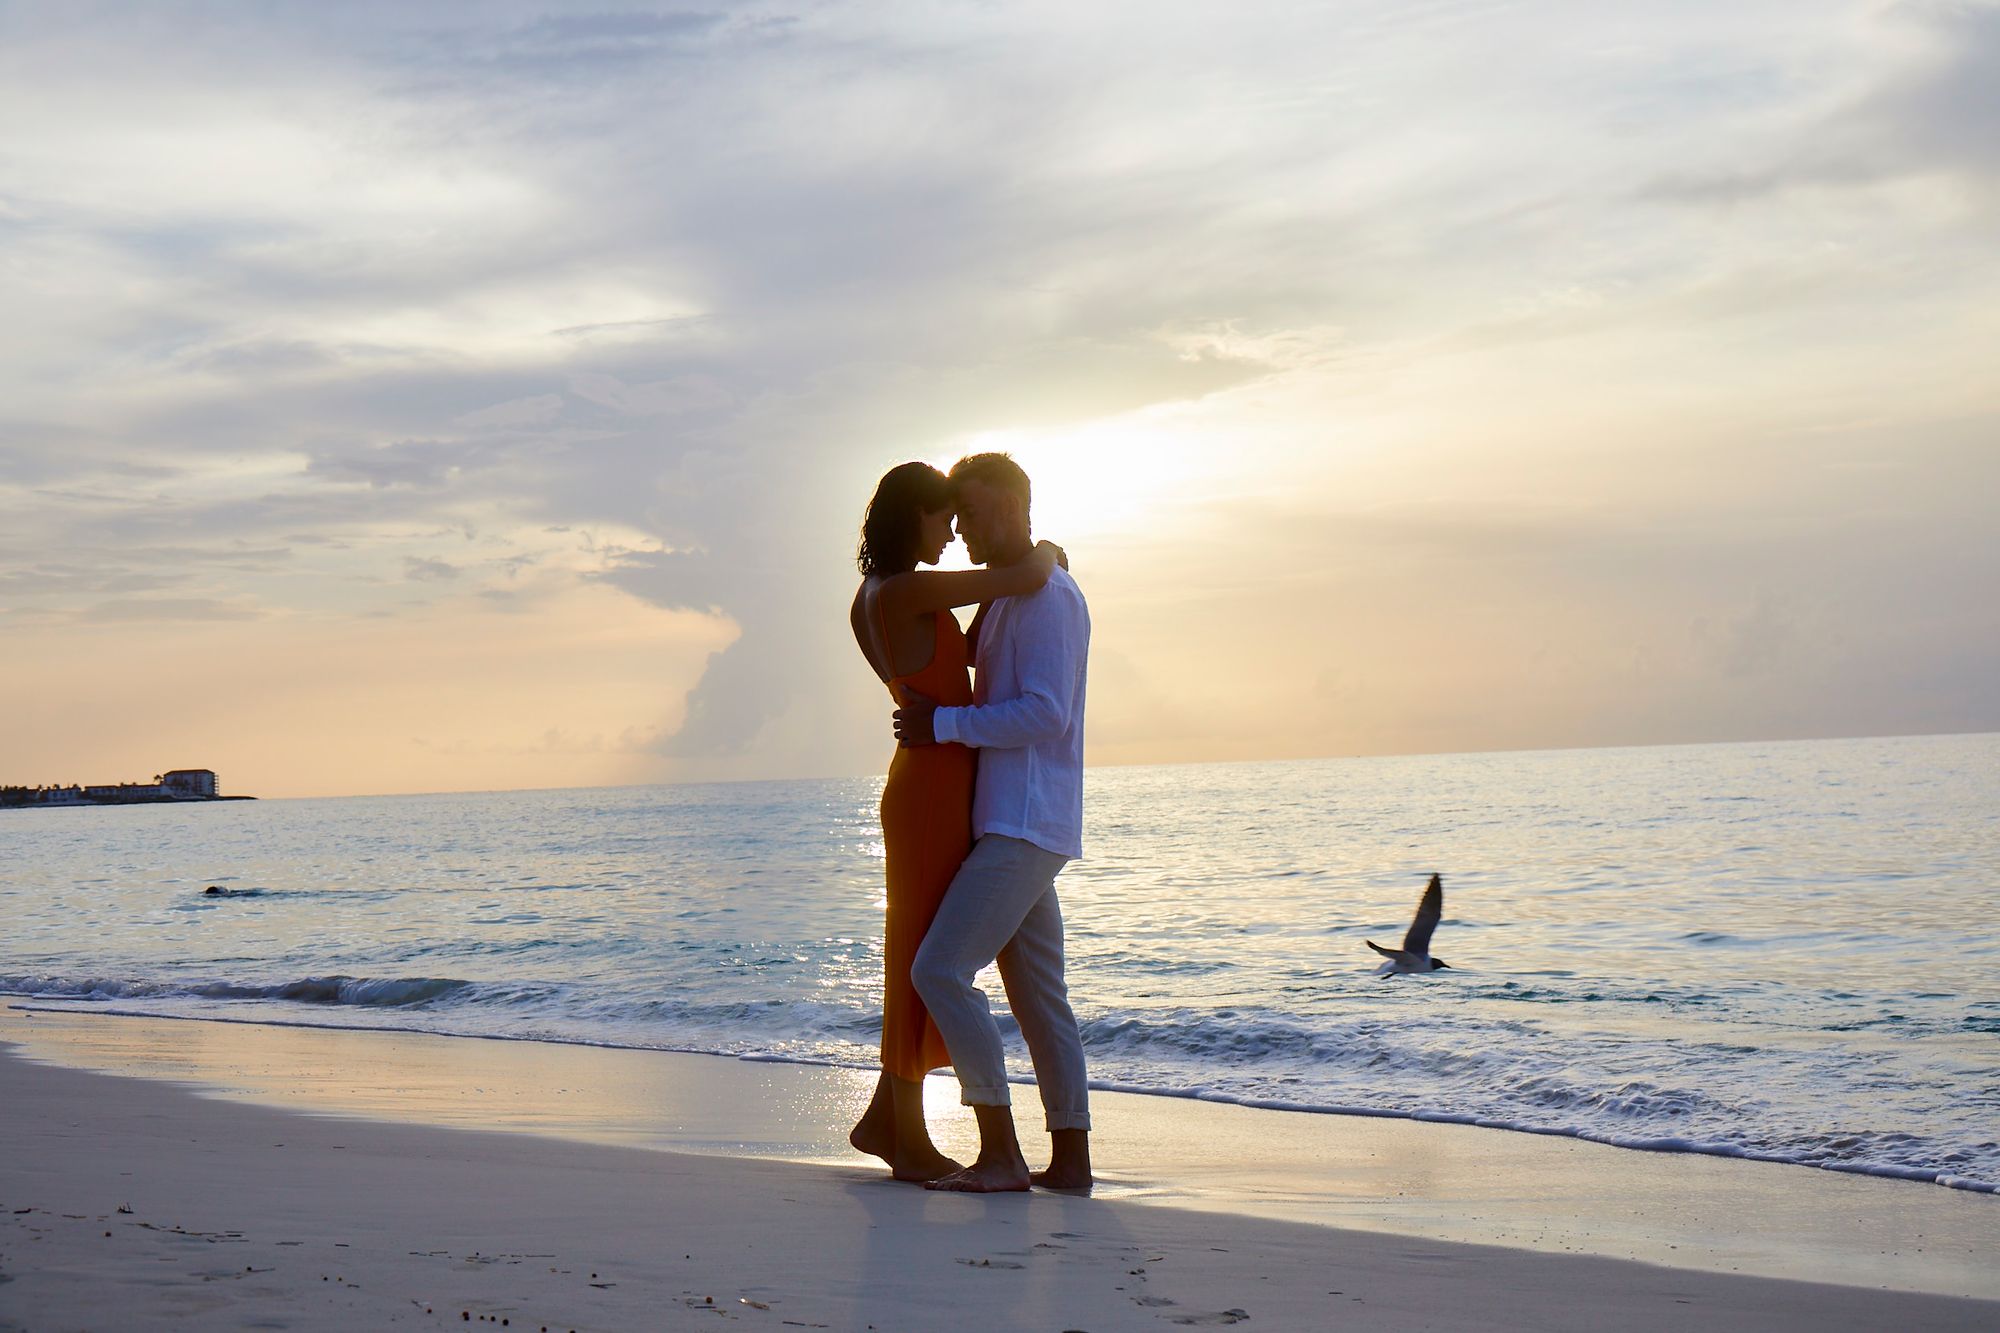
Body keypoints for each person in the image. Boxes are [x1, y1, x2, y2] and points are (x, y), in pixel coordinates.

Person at [848, 460, 1067, 1182]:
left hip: (932, 780)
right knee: (923, 959)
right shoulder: (910, 589)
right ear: (915, 515)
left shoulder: (878, 595)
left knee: (917, 955)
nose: (952, 532)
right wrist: (1047, 555)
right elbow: (1016, 581)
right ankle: (901, 1123)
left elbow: (962, 649)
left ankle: (895, 1114)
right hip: (937, 785)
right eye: (944, 516)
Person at [892, 452, 1093, 1193]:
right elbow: (972, 653)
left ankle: (999, 1152)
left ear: (1012, 506)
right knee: (1040, 997)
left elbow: (1046, 711)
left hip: (1024, 823)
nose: (962, 530)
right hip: (1013, 823)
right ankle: (1070, 1160)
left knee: (939, 970)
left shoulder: (1052, 601)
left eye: (972, 514)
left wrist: (940, 723)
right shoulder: (1014, 597)